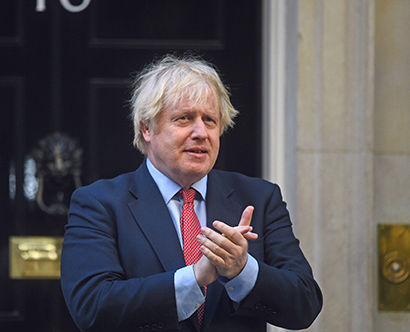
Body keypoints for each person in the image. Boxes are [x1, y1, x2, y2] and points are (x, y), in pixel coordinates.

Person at [60, 54, 322, 332]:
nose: (201, 132)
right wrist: (194, 278)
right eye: (184, 118)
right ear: (147, 128)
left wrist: (242, 270)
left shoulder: (259, 198)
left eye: (210, 120)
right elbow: (91, 307)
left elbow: (304, 306)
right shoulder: (99, 203)